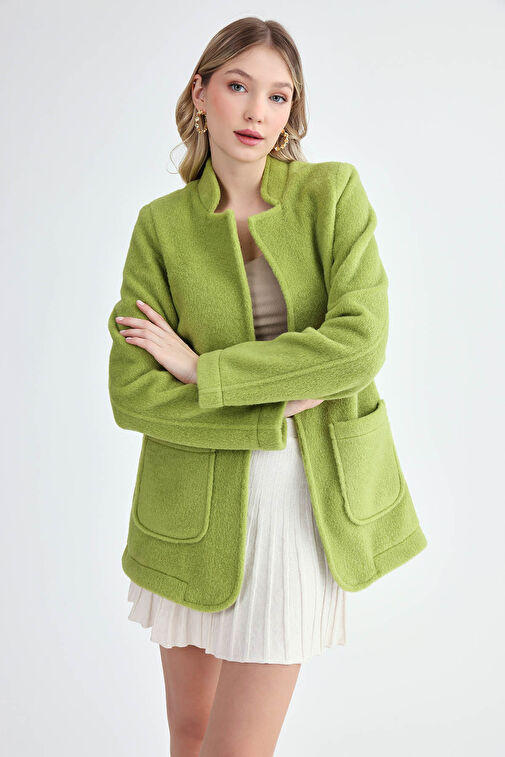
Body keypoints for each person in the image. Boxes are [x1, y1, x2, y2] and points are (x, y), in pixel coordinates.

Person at [107, 15, 427, 757]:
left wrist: (203, 370)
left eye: (278, 96)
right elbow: (132, 393)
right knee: (189, 735)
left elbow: (358, 346)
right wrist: (269, 407)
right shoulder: (160, 226)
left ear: (292, 110)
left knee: (235, 749)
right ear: (200, 93)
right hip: (188, 508)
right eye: (238, 86)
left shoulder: (331, 194)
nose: (257, 111)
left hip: (296, 504)